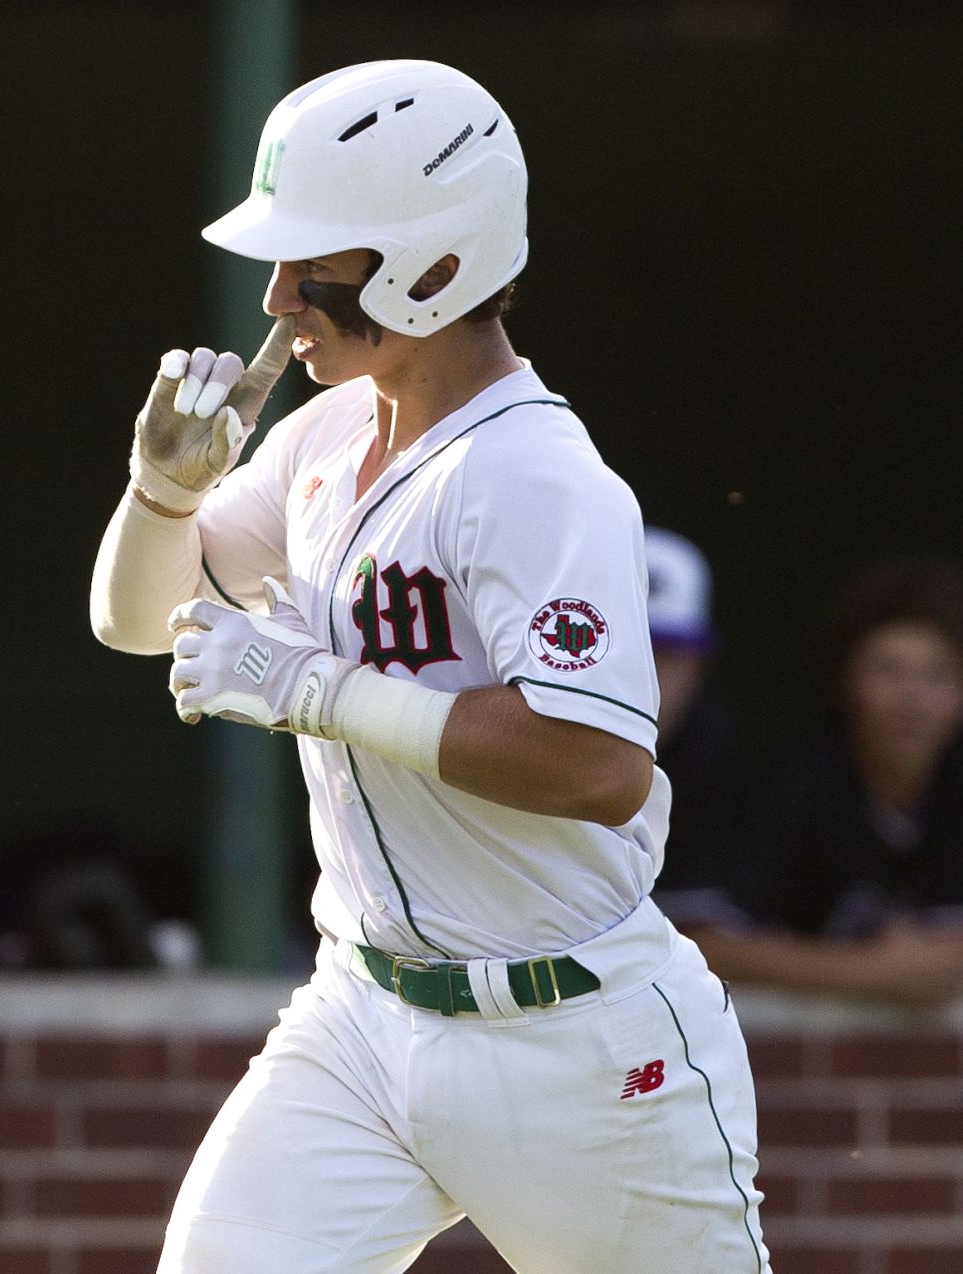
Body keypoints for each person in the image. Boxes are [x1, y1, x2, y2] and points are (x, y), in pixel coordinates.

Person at [88, 61, 767, 1272]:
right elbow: (138, 623)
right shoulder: (330, 428)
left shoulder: (531, 470)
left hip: (576, 1037)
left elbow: (600, 762)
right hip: (360, 1011)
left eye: (314, 265)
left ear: (434, 264)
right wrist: (161, 496)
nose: (279, 295)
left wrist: (318, 689)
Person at [692, 560, 963, 1006]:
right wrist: (870, 973)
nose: (913, 700)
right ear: (845, 681)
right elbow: (701, 947)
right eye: (888, 670)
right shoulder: (795, 785)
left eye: (938, 676)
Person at [642, 527, 752, 929]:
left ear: (698, 666)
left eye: (661, 653)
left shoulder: (714, 755)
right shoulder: (518, 735)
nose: (638, 674)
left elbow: (708, 938)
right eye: (620, 647)